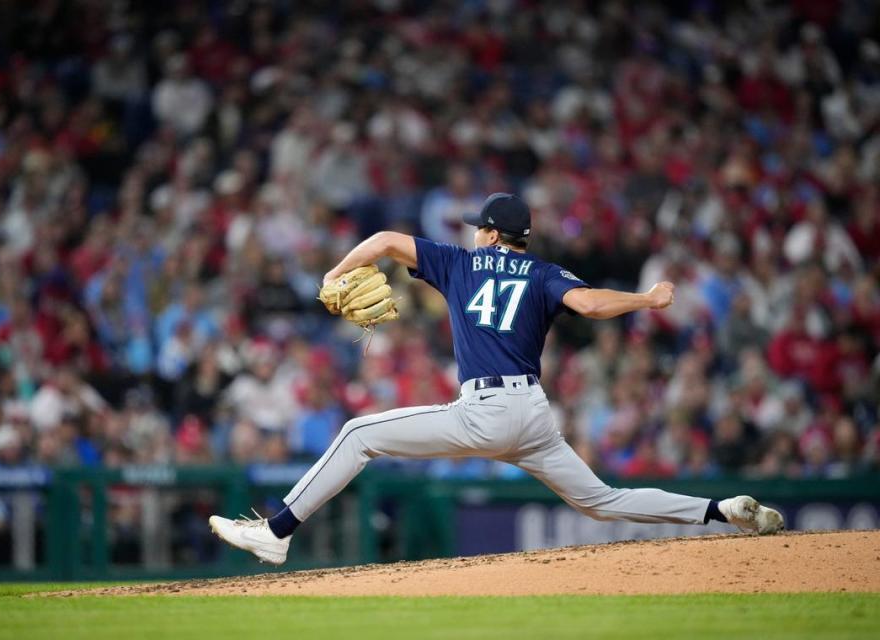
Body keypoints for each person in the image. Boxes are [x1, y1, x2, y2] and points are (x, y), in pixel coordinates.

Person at [209, 193, 784, 565]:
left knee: (359, 433)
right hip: (532, 415)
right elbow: (586, 304)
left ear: (487, 233)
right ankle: (720, 510)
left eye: (476, 229)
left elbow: (383, 242)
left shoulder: (459, 261)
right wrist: (647, 298)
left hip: (483, 412)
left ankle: (278, 530)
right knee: (602, 500)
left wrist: (336, 274)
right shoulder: (542, 271)